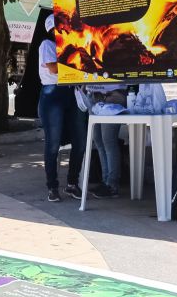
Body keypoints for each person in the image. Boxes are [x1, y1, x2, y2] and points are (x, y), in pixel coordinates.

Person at [38, 15, 86, 202]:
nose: (67, 29)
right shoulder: (47, 45)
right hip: (53, 94)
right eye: (62, 26)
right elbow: (53, 68)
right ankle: (52, 186)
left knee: (80, 140)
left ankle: (72, 184)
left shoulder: (69, 45)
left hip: (71, 92)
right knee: (53, 143)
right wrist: (75, 61)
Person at [84, 84, 128, 199]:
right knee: (98, 140)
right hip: (93, 94)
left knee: (108, 140)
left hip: (114, 94)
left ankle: (112, 185)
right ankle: (105, 181)